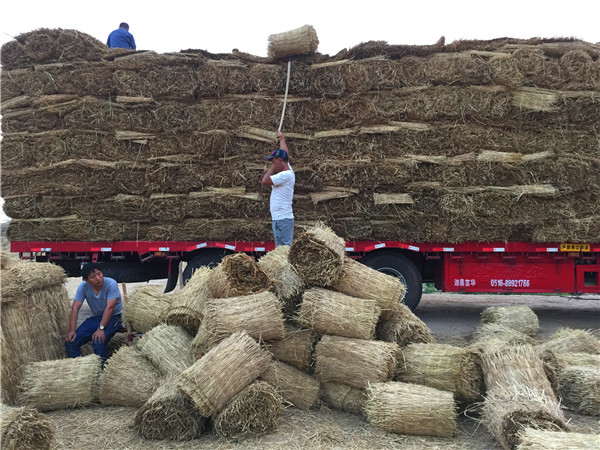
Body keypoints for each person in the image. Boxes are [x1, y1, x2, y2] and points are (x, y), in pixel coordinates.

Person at [65, 263, 123, 362]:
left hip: (114, 317)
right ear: (86, 281)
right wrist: (72, 330)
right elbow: (75, 308)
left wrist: (101, 328)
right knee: (71, 341)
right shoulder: (83, 287)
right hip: (96, 318)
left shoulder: (111, 283)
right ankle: (79, 368)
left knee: (98, 341)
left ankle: (101, 371)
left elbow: (110, 308)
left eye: (99, 274)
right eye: (93, 277)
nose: (98, 278)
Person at [261, 131, 296, 246]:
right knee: (280, 250)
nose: (271, 163)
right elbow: (284, 153)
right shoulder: (287, 170)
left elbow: (264, 181)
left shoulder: (285, 175)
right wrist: (282, 139)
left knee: (284, 250)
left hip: (283, 220)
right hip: (280, 219)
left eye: (273, 161)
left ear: (280, 161)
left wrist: (272, 169)